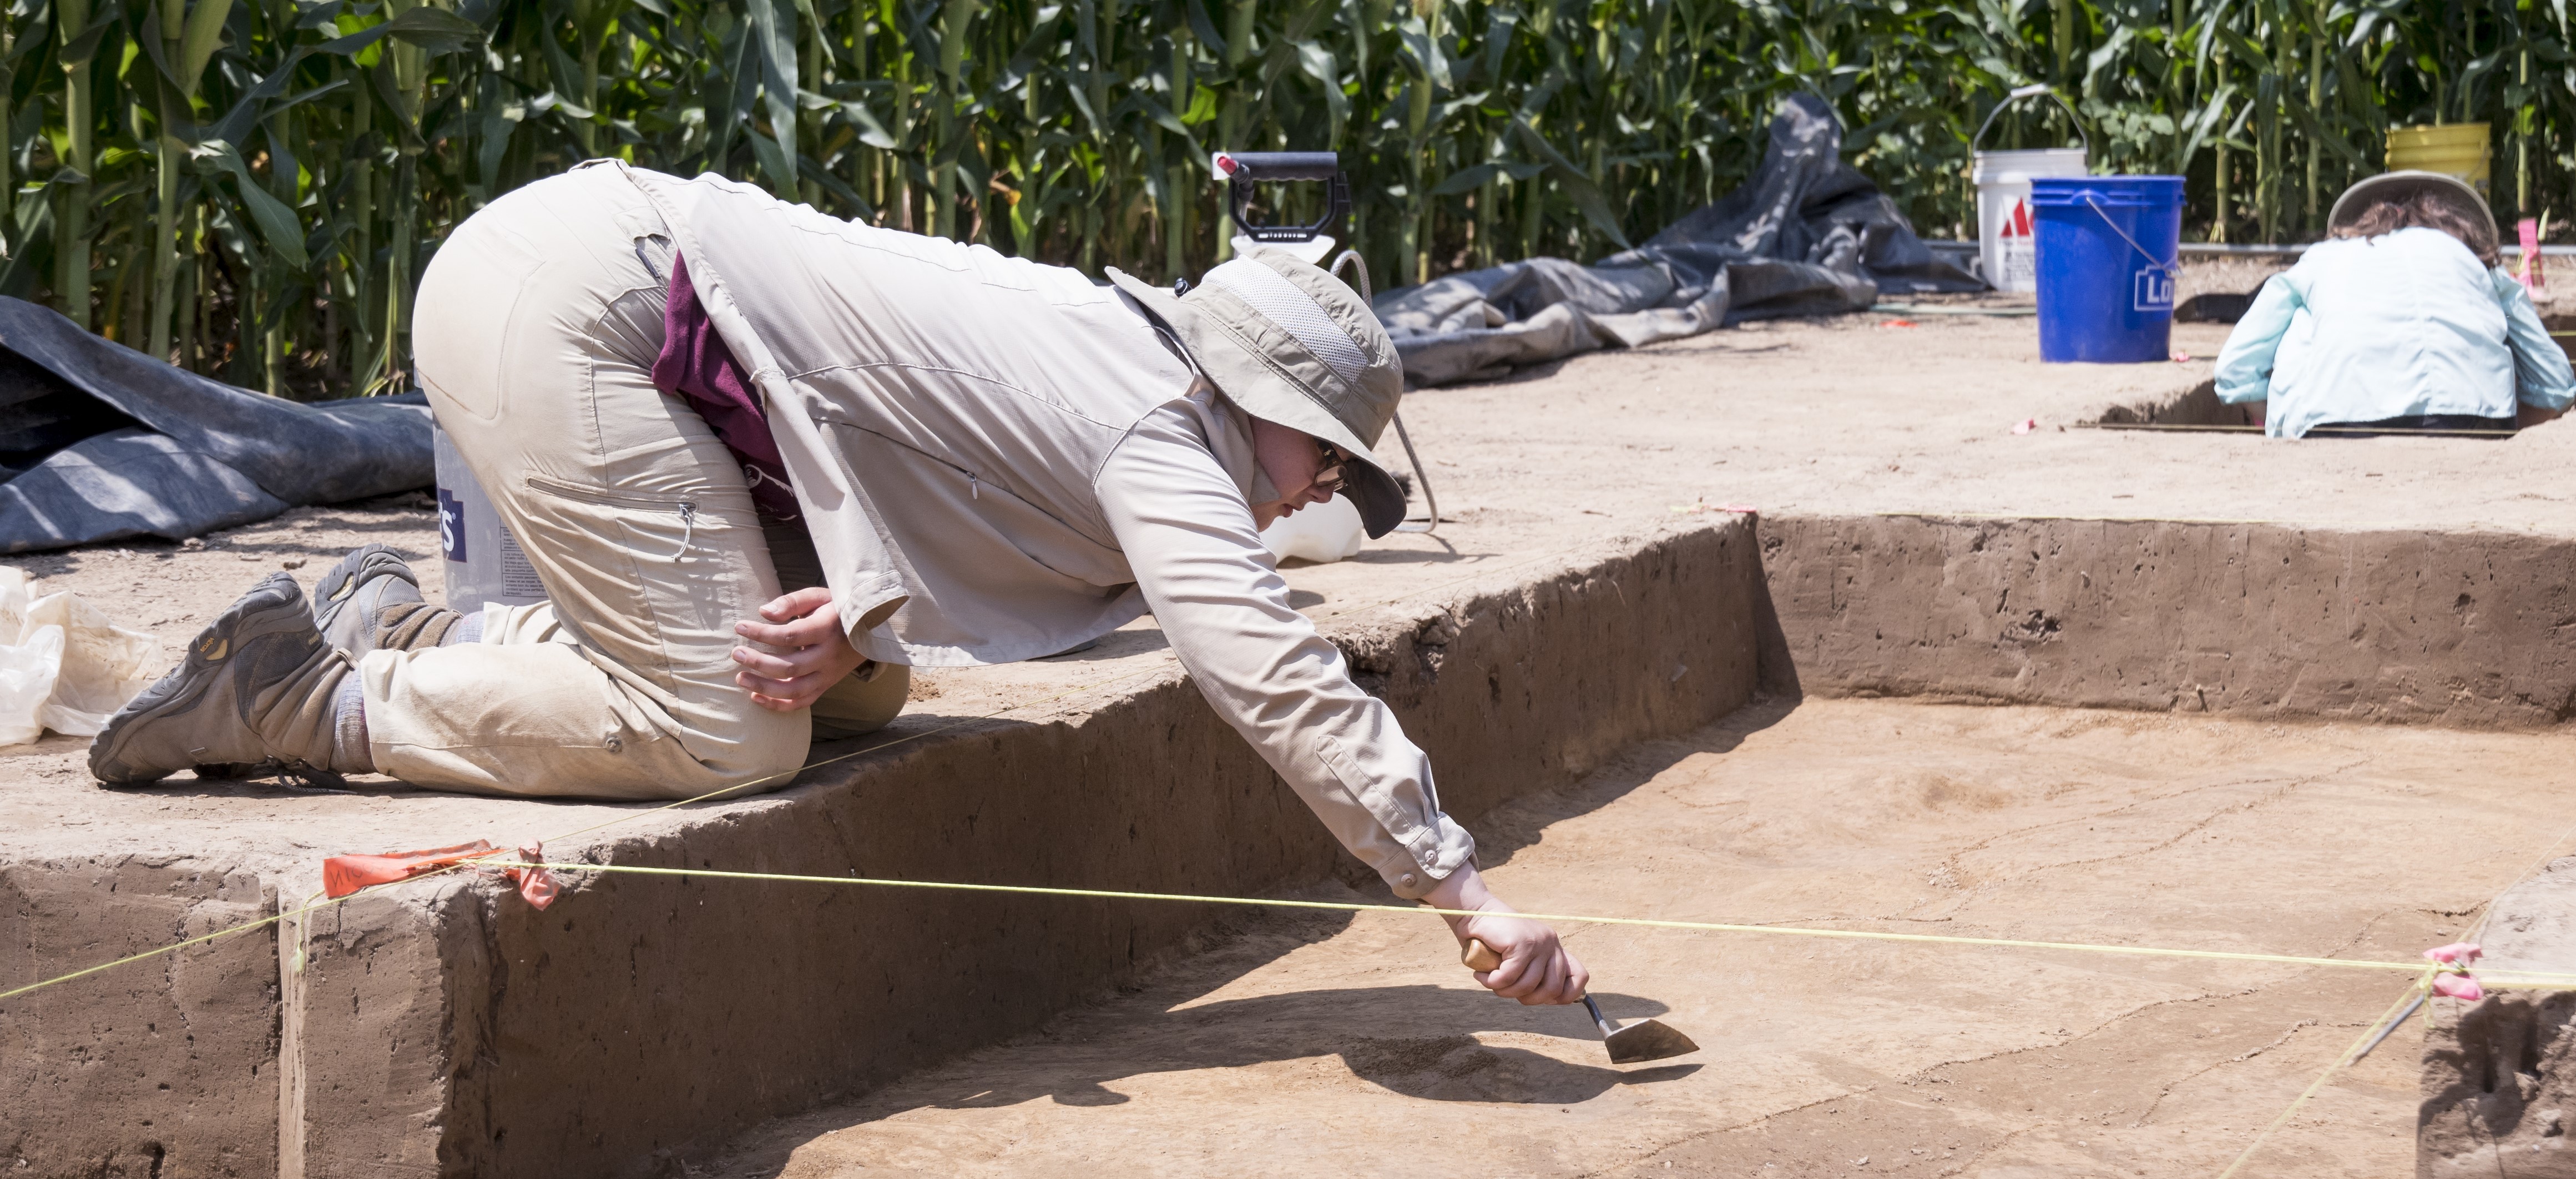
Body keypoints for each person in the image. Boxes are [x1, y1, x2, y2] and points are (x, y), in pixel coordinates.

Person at [87, 160, 1587, 1006]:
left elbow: (892, 425)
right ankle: (311, 696)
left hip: (616, 298)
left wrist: (855, 604)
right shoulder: (1161, 432)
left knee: (856, 682)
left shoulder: (1124, 358)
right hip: (572, 312)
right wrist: (1458, 887)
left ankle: (383, 625)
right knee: (726, 735)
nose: (1324, 488)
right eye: (1324, 454)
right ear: (1257, 395)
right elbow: (1268, 671)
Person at [2212, 171, 2576, 439]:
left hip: (2338, 429)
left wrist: (2282, 427)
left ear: (2364, 219)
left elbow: (2235, 370)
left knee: (2304, 329)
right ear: (2454, 222)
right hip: (2472, 427)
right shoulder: (2479, 267)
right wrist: (2503, 438)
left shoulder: (2323, 260)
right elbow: (2555, 384)